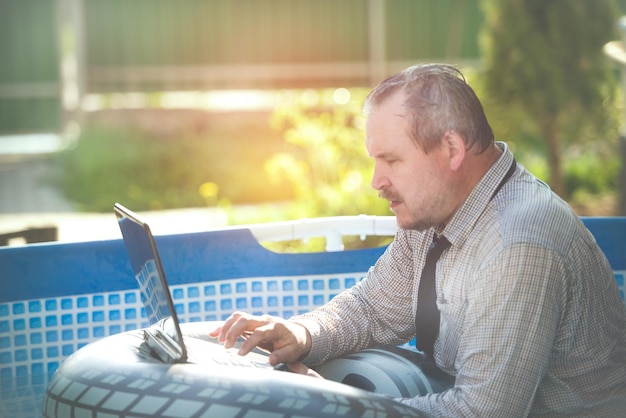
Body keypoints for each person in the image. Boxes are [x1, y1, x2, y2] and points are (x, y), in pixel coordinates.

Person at [210, 64, 626, 416]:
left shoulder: (519, 245)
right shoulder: (436, 210)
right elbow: (373, 309)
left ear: (451, 148)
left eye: (391, 160)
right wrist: (302, 334)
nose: (377, 181)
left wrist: (346, 406)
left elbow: (480, 412)